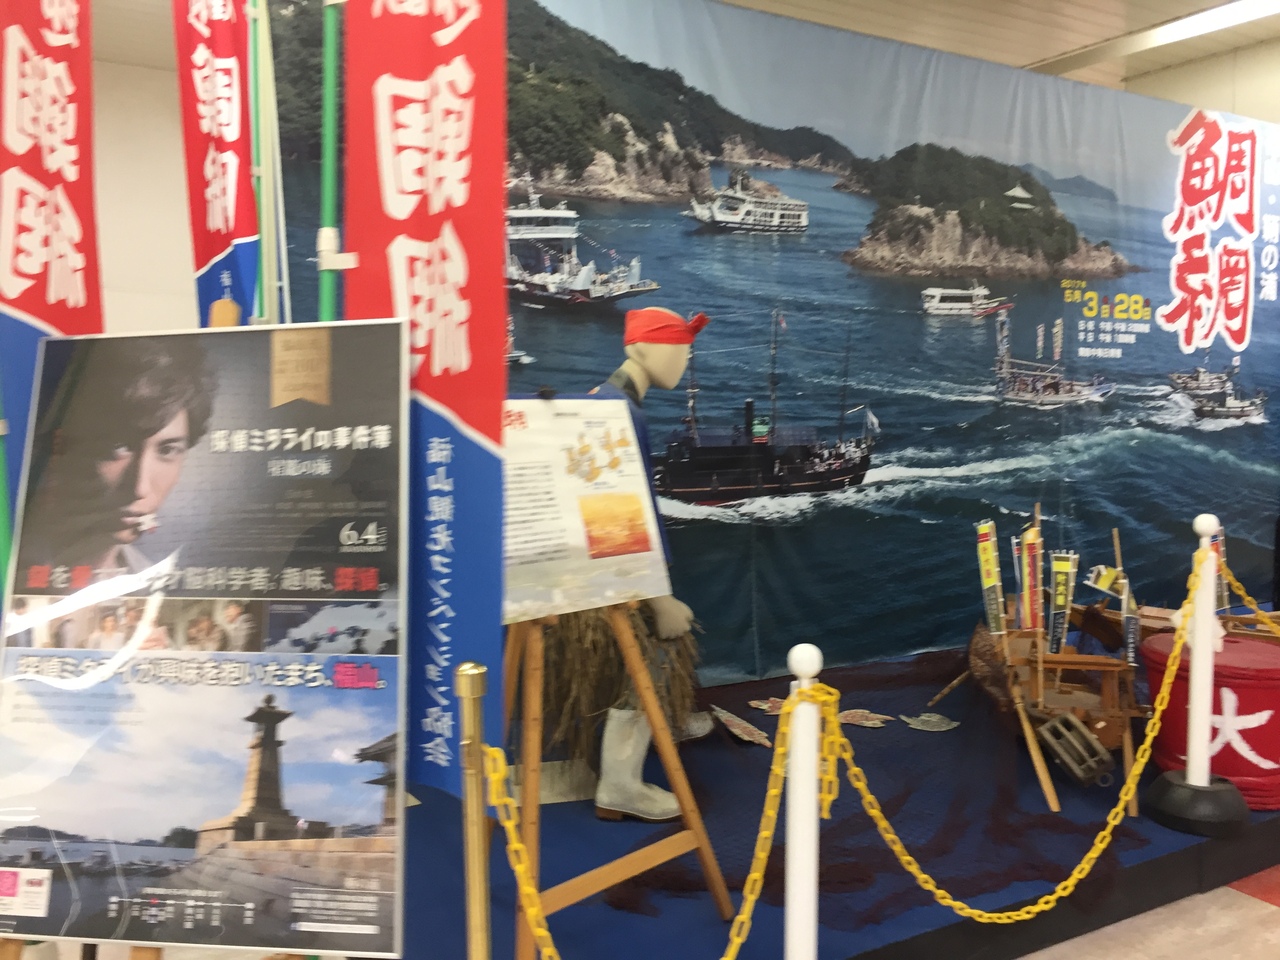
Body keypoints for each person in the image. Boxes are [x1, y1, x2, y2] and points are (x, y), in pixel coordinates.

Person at [16, 337, 218, 580]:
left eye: (166, 450)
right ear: (60, 446)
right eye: (118, 446)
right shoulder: (13, 563)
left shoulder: (151, 583)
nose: (139, 488)